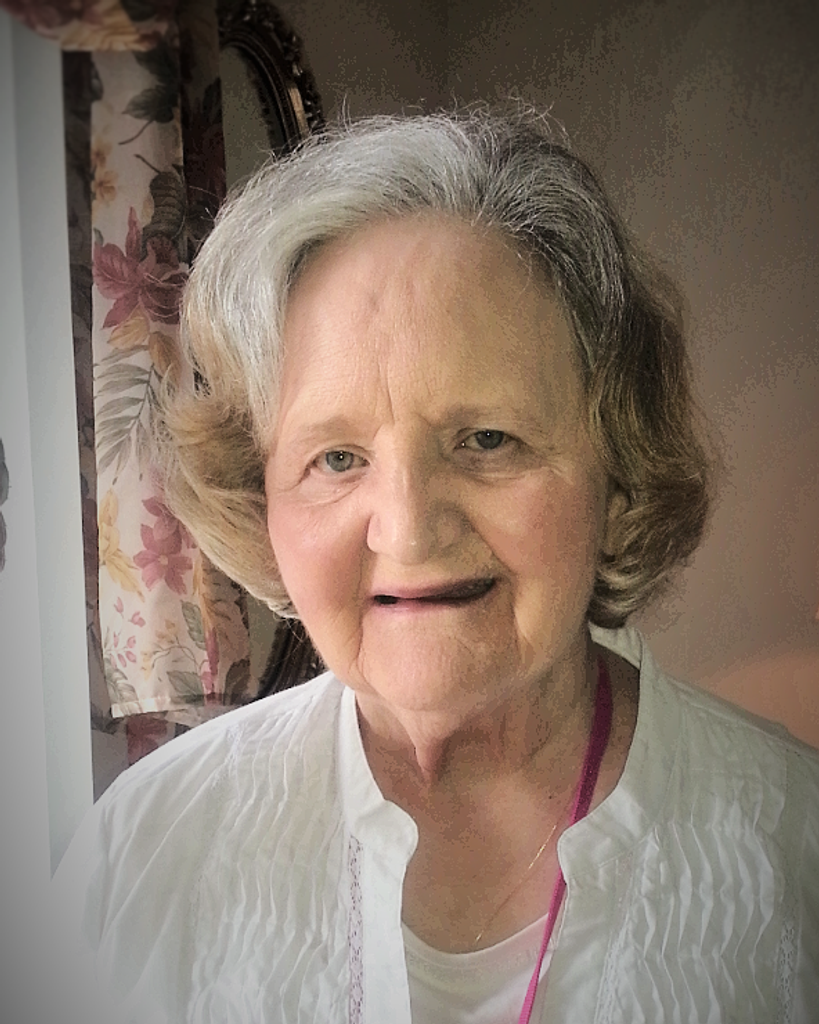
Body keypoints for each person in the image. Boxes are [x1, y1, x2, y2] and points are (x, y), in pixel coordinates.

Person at [51, 106, 818, 1023]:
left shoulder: (791, 853)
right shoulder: (145, 852)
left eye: (486, 439)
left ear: (618, 474)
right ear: (260, 500)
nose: (408, 532)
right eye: (336, 458)